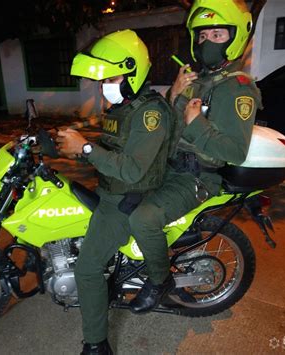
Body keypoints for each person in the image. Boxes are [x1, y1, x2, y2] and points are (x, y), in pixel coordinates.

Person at [127, 0, 263, 314]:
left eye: (217, 35)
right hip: (169, 167)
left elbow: (234, 151)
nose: (207, 43)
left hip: (198, 177)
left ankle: (159, 281)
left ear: (234, 39)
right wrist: (173, 95)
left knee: (143, 218)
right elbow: (168, 130)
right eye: (202, 36)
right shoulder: (196, 81)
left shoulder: (237, 89)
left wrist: (196, 122)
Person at [56, 29, 173, 355]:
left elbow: (133, 168)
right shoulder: (122, 108)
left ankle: (96, 346)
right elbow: (112, 148)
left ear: (133, 73)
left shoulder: (151, 113)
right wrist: (76, 145)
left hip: (128, 197)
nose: (104, 84)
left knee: (87, 268)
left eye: (111, 76)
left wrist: (87, 149)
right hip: (111, 189)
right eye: (102, 78)